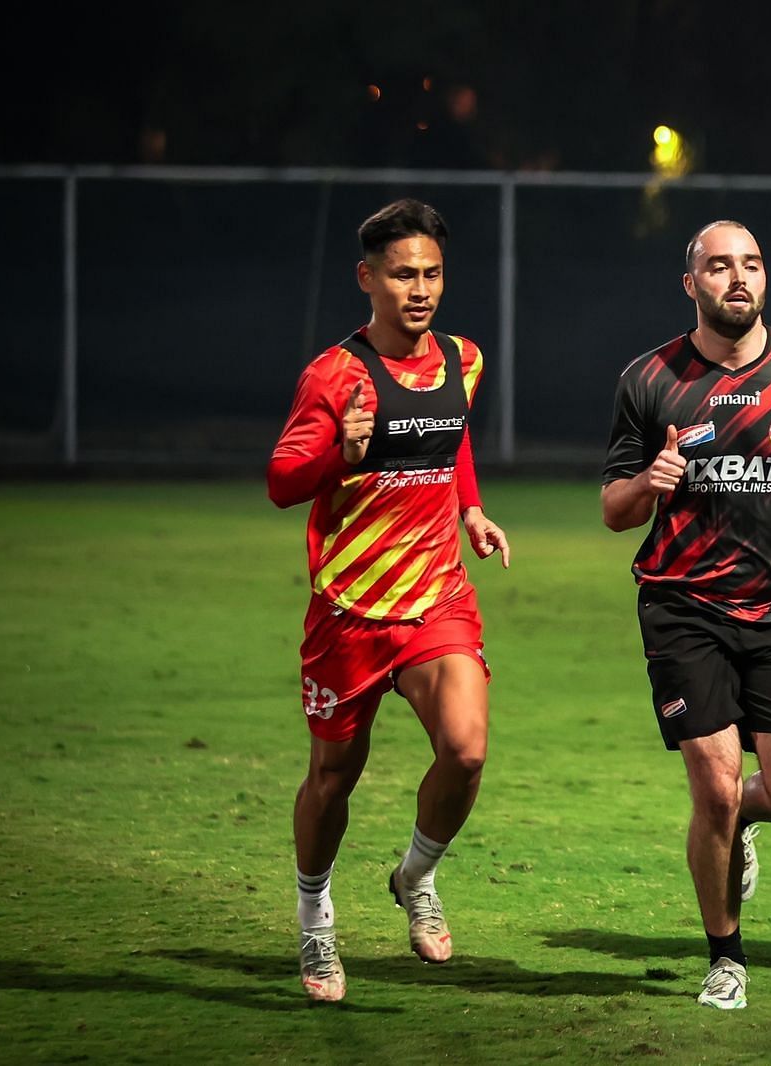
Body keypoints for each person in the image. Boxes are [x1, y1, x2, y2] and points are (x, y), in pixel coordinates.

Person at [601, 220, 771, 1010]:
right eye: (718, 266)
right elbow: (613, 510)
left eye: (751, 264)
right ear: (689, 283)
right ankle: (726, 957)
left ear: (765, 278)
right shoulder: (649, 378)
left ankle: (741, 824)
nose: (737, 278)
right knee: (714, 789)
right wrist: (650, 484)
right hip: (681, 606)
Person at [267, 198, 510, 1003]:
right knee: (335, 776)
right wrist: (343, 452)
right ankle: (314, 922)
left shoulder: (463, 358)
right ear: (367, 279)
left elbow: (455, 434)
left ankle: (415, 875)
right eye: (403, 274)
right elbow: (280, 483)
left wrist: (470, 507)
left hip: (437, 598)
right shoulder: (334, 375)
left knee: (467, 750)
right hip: (349, 612)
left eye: (432, 274)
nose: (420, 289)